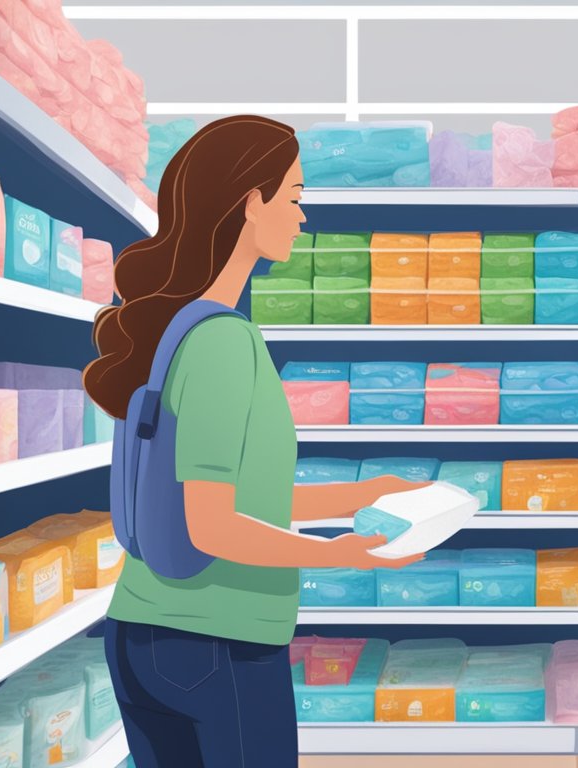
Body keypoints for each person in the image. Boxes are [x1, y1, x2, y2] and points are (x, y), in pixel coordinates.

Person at [84, 115, 425, 768]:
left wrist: (365, 494)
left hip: (145, 632)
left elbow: (240, 497)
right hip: (218, 642)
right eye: (293, 198)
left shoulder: (173, 329)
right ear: (250, 203)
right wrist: (343, 556)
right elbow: (212, 527)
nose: (301, 218)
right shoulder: (225, 344)